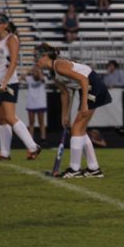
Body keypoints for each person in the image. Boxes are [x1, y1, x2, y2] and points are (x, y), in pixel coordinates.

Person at [34, 43, 112, 178]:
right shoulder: (54, 72)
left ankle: (74, 169)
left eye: (36, 56)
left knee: (77, 128)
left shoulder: (59, 65)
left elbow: (83, 79)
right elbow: (65, 94)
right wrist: (65, 116)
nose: (35, 60)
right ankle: (94, 169)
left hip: (93, 86)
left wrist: (84, 104)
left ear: (45, 56)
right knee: (79, 129)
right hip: (88, 88)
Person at [0, 13, 41, 161]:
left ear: (5, 25)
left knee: (9, 117)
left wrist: (5, 81)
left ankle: (33, 147)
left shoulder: (11, 39)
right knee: (1, 120)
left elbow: (13, 63)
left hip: (8, 83)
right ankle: (4, 153)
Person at [20, 65, 47, 146]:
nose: (35, 72)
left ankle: (43, 138)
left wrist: (39, 72)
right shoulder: (29, 79)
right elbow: (21, 77)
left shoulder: (44, 78)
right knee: (31, 122)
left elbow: (42, 79)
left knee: (41, 122)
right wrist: (29, 71)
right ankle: (30, 139)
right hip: (31, 103)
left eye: (36, 71)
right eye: (34, 71)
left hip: (40, 103)